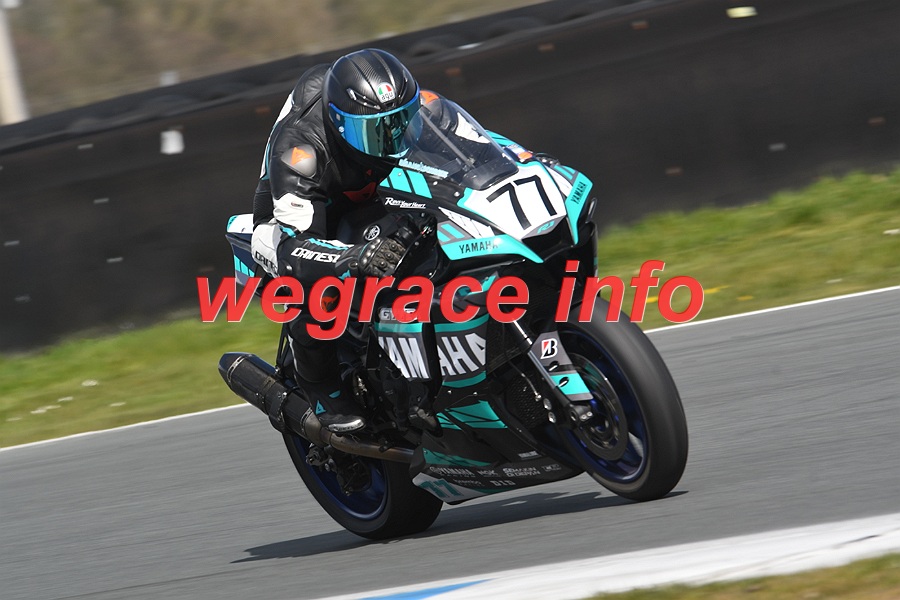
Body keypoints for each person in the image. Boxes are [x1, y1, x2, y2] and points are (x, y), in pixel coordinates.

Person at [250, 48, 423, 433]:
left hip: (368, 188)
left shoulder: (396, 107)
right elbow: (295, 249)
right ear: (342, 126)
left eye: (400, 123)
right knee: (311, 282)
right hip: (298, 214)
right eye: (376, 132)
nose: (391, 140)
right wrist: (353, 258)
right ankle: (320, 385)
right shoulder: (300, 152)